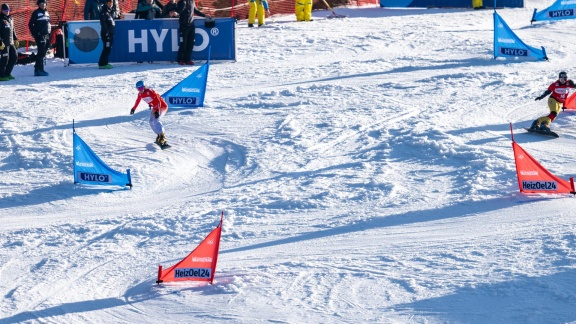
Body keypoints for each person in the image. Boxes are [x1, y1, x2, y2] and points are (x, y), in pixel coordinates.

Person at [130, 80, 170, 147]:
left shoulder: (150, 91)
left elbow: (158, 101)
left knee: (156, 120)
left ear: (144, 87)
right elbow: (138, 101)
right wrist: (133, 108)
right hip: (155, 108)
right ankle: (159, 135)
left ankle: (163, 137)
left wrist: (157, 110)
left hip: (162, 107)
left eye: (141, 88)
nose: (140, 90)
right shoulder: (140, 94)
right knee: (151, 122)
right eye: (138, 89)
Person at [176, 0, 207, 65]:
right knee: (183, 44)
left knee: (191, 43)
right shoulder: (180, 2)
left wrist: (204, 15)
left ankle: (187, 59)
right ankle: (180, 59)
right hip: (183, 26)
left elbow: (196, 11)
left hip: (191, 26)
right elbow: (179, 11)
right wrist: (183, 4)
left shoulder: (192, 2)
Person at [28, 0, 51, 76]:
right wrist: (35, 34)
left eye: (44, 4)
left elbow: (48, 23)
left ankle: (37, 67)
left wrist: (49, 33)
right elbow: (30, 24)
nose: (43, 5)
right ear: (38, 5)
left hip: (46, 35)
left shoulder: (47, 12)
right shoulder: (36, 13)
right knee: (41, 52)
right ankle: (39, 69)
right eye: (41, 4)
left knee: (43, 52)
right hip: (40, 35)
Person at [0, 3, 18, 81]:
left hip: (10, 42)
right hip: (3, 43)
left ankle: (7, 73)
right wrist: (0, 42)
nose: (7, 12)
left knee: (14, 57)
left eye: (8, 10)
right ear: (1, 10)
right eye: (5, 10)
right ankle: (1, 75)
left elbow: (12, 30)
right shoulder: (0, 19)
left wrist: (15, 38)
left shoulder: (10, 18)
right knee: (5, 59)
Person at [98, 0, 115, 69]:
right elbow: (103, 24)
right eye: (109, 3)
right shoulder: (104, 11)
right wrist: (107, 33)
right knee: (106, 48)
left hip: (110, 33)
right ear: (106, 3)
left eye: (111, 3)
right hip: (106, 34)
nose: (110, 4)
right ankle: (102, 64)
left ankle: (105, 63)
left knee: (108, 48)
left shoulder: (110, 11)